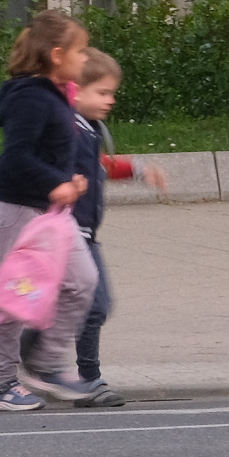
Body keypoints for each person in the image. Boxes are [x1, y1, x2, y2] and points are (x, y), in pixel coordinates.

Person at [0, 10, 101, 411]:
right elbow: (16, 159)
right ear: (55, 54)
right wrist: (57, 183)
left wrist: (69, 180)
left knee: (82, 281)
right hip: (16, 208)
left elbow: (47, 152)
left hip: (50, 212)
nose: (86, 59)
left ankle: (45, 364)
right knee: (18, 296)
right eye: (80, 51)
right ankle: (0, 385)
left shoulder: (55, 93)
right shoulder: (30, 98)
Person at [62, 49, 165, 408]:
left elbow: (99, 168)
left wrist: (135, 169)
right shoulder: (70, 132)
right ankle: (87, 379)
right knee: (94, 306)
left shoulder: (87, 130)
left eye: (111, 92)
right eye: (102, 93)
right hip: (67, 235)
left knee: (88, 307)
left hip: (84, 234)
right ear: (75, 91)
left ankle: (46, 363)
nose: (111, 100)